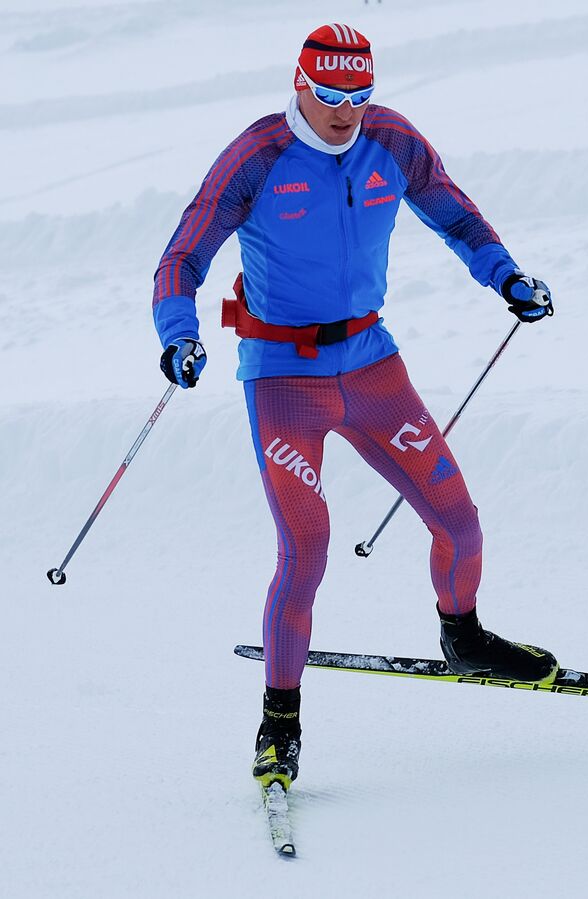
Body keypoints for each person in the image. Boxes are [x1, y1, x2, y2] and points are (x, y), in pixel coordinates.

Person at [151, 23, 557, 790]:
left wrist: (507, 278)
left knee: (460, 519)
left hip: (371, 364)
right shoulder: (258, 155)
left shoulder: (392, 143)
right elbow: (184, 256)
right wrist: (179, 335)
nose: (345, 112)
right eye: (331, 95)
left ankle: (462, 635)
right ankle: (280, 721)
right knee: (307, 547)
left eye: (360, 97)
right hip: (281, 377)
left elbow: (459, 218)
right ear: (299, 84)